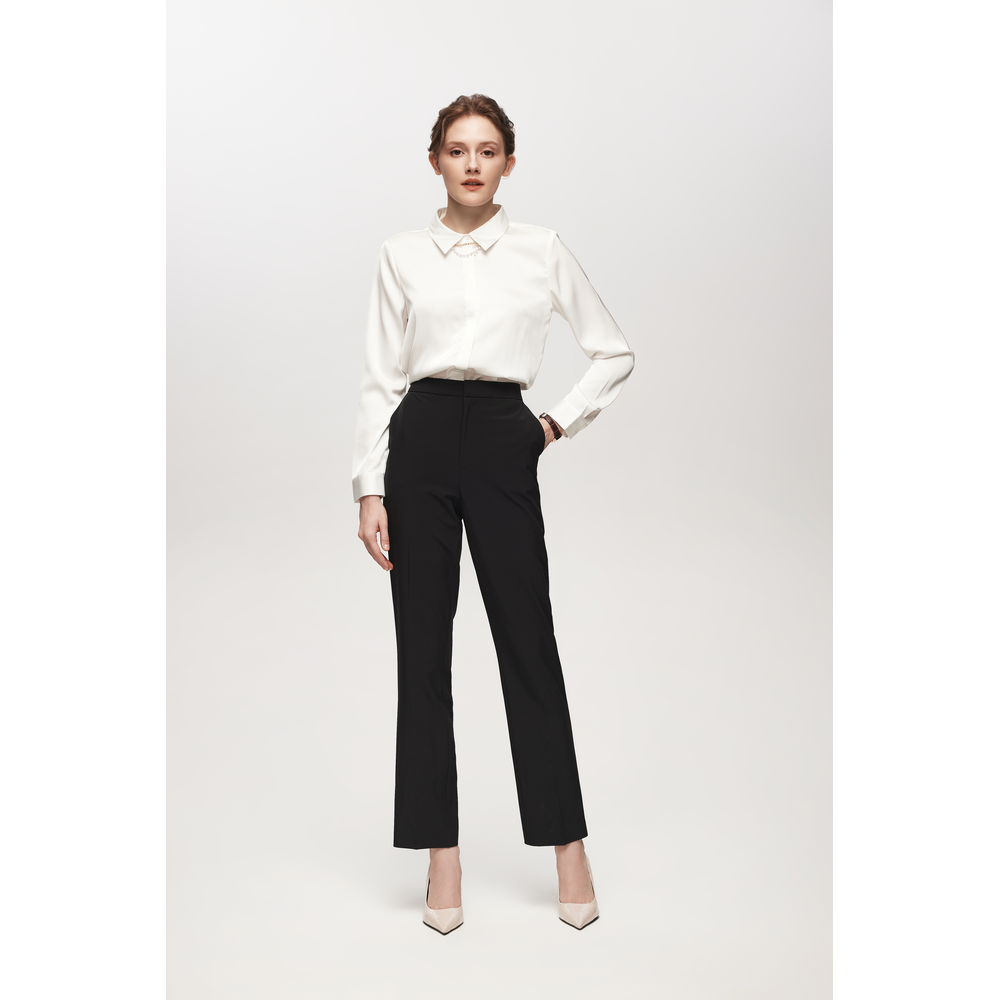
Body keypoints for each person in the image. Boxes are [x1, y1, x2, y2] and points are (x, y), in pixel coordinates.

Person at [352, 94, 634, 933]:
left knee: (527, 642)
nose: (471, 164)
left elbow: (613, 351)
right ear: (434, 161)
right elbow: (380, 377)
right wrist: (369, 486)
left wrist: (550, 424)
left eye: (487, 150)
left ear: (509, 162)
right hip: (421, 440)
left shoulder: (541, 250)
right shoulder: (401, 254)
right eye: (456, 150)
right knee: (422, 653)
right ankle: (441, 857)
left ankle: (568, 848)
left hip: (504, 437)